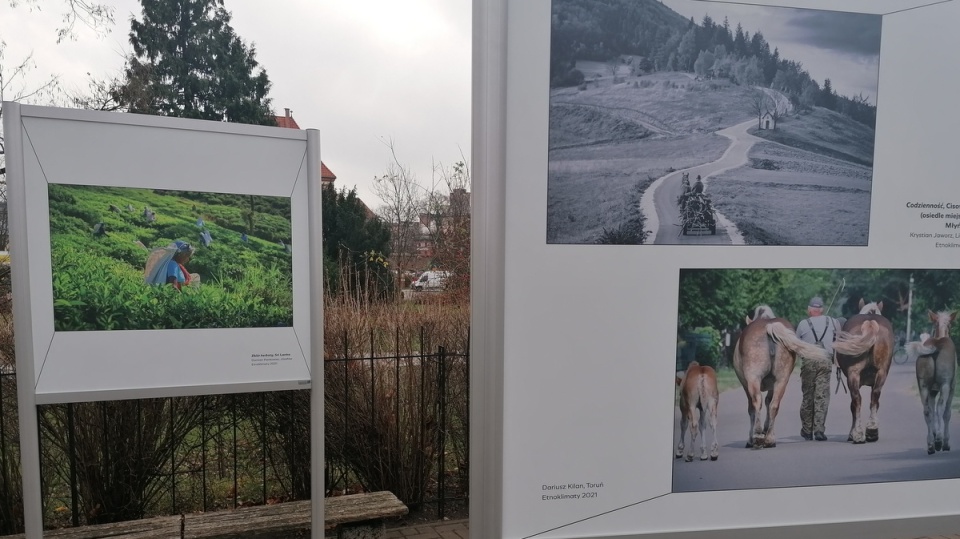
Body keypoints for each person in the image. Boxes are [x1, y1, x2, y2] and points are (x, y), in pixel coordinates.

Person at [796, 296, 841, 441]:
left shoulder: (803, 324)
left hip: (809, 362)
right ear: (821, 310)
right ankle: (819, 430)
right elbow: (838, 341)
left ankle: (807, 430)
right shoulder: (833, 321)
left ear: (810, 310)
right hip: (825, 361)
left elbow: (797, 346)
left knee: (808, 396)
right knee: (821, 395)